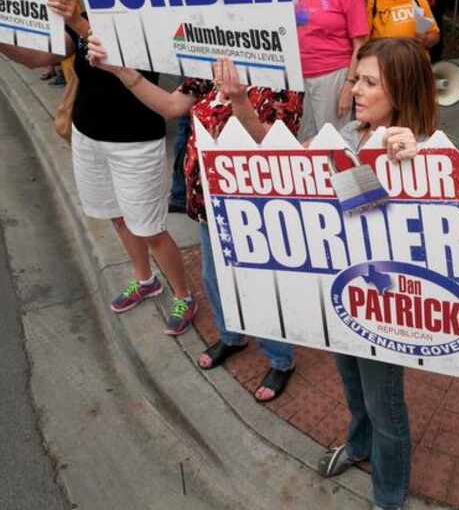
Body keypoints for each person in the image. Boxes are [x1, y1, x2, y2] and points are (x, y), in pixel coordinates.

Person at [84, 35, 302, 401]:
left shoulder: (280, 75)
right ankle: (232, 336)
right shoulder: (207, 68)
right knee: (213, 277)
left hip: (253, 209)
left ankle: (281, 360)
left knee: (258, 286)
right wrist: (120, 71)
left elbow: (274, 143)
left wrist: (238, 98)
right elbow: (171, 106)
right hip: (207, 202)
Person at [0, 0, 196, 335]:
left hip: (135, 142)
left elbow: (118, 56)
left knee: (149, 228)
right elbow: (39, 58)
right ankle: (145, 279)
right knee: (118, 216)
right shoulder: (84, 14)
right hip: (89, 136)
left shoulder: (150, 13)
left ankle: (184, 295)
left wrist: (78, 21)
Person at [316, 37, 434, 510]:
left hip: (384, 302)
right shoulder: (348, 132)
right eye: (355, 79)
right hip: (342, 285)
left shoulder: (424, 150)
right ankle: (358, 443)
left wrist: (419, 164)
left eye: (369, 82)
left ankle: (388, 496)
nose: (354, 90)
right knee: (351, 382)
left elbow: (448, 219)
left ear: (401, 93)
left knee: (386, 406)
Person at [295, 0, 370, 141]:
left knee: (331, 141)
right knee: (305, 139)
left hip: (332, 74)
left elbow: (360, 45)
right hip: (303, 75)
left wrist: (349, 85)